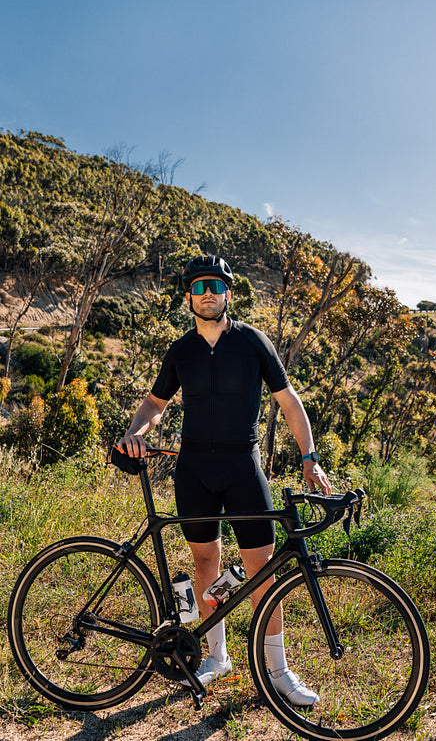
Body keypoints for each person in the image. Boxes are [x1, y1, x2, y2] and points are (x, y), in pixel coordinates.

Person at [117, 254, 331, 705]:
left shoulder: (253, 343)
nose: (207, 293)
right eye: (198, 287)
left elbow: (289, 403)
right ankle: (217, 657)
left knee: (262, 573)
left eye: (215, 285)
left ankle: (278, 671)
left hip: (242, 469)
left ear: (228, 292)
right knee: (205, 565)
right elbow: (155, 404)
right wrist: (136, 431)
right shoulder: (182, 351)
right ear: (189, 297)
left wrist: (310, 458)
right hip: (193, 470)